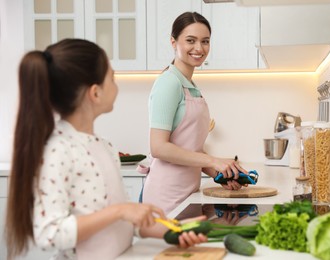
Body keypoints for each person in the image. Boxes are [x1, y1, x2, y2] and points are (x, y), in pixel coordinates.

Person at [5, 39, 207, 260]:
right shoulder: (58, 151)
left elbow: (122, 224)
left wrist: (173, 229)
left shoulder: (104, 147)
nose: (115, 84)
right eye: (111, 78)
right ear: (95, 93)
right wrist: (120, 211)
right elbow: (49, 234)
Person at [141, 12, 248, 215]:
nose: (199, 48)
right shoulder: (168, 83)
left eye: (205, 41)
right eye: (191, 40)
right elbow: (158, 147)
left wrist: (219, 173)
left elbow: (189, 148)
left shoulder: (190, 86)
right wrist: (212, 161)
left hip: (187, 192)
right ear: (173, 42)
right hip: (166, 196)